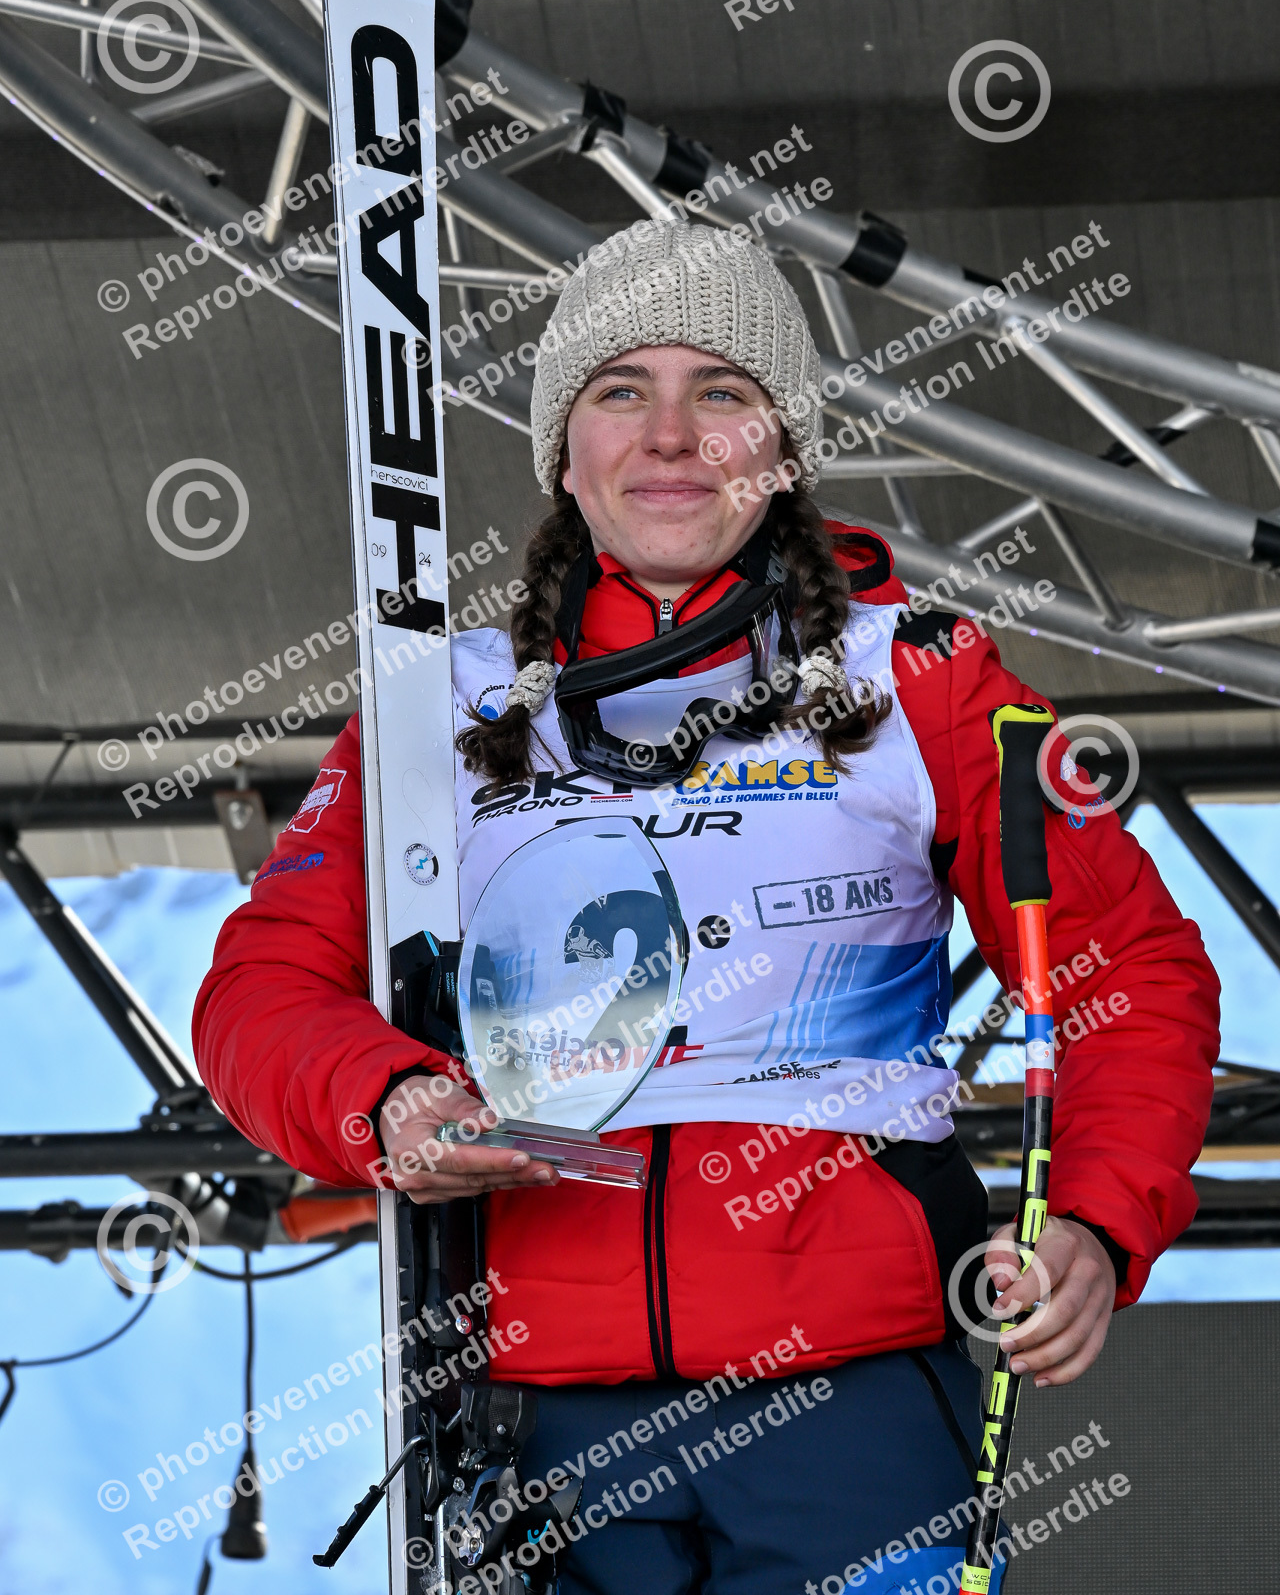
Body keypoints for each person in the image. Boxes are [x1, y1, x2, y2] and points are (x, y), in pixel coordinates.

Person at [193, 219, 1218, 1595]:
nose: (671, 435)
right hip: (535, 1416)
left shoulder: (920, 675)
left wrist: (1093, 1217)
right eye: (622, 390)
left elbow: (1129, 968)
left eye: (722, 391)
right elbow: (259, 990)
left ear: (783, 447)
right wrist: (384, 1100)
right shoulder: (441, 706)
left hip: (855, 1401)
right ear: (565, 452)